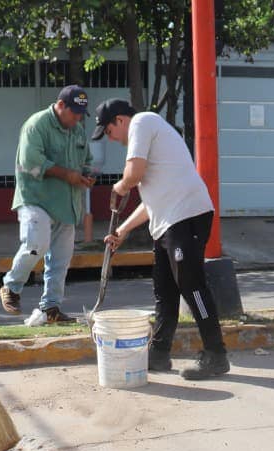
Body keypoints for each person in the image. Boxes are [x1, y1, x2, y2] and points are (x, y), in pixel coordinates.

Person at [95, 99, 230, 381]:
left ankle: (216, 354)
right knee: (165, 290)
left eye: (109, 131)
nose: (111, 139)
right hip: (168, 220)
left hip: (186, 215)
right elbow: (151, 202)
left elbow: (132, 176)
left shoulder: (143, 122)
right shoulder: (149, 140)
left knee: (192, 286)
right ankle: (158, 354)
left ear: (121, 120)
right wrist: (123, 230)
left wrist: (119, 186)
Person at [0, 85, 91, 323]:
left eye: (81, 114)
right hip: (35, 198)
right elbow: (30, 161)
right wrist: (67, 175)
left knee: (61, 259)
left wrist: (88, 173)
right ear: (60, 106)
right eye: (74, 113)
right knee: (36, 243)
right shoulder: (36, 124)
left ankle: (51, 308)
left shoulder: (78, 130)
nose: (78, 118)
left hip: (67, 203)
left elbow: (87, 159)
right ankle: (11, 286)